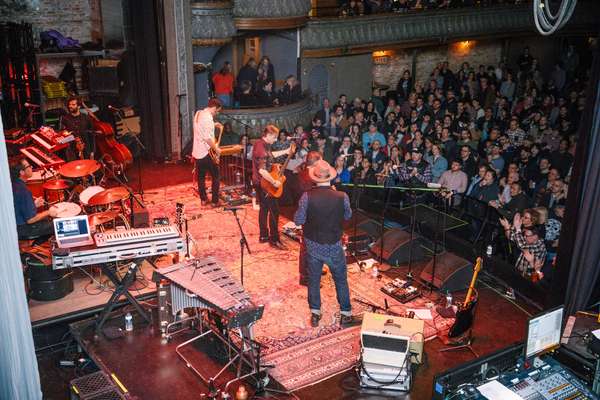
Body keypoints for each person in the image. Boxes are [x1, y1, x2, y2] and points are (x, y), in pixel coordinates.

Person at [294, 159, 353, 327]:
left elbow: (298, 220)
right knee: (341, 279)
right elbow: (348, 216)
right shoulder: (342, 196)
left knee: (313, 279)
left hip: (313, 246)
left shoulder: (307, 196)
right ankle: (346, 313)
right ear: (330, 177)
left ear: (315, 178)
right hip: (334, 245)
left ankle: (315, 313)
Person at [252, 124, 295, 249]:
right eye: (274, 137)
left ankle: (263, 236)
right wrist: (274, 182)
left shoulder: (261, 143)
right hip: (265, 184)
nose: (275, 139)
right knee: (274, 211)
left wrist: (286, 151)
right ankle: (274, 239)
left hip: (259, 183)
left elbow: (271, 156)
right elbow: (262, 170)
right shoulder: (261, 149)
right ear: (269, 135)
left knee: (264, 209)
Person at [11, 158, 58, 238]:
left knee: (46, 220)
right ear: (22, 172)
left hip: (16, 225)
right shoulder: (23, 191)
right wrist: (49, 212)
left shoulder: (14, 184)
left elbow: (19, 208)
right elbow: (30, 220)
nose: (31, 167)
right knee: (56, 224)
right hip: (24, 229)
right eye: (28, 166)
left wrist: (33, 205)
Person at [192, 98, 223, 206]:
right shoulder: (209, 119)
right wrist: (216, 149)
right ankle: (215, 201)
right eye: (217, 111)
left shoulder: (198, 113)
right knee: (216, 176)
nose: (216, 113)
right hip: (206, 153)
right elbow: (207, 138)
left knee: (201, 177)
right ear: (214, 108)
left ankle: (203, 199)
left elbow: (200, 127)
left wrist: (213, 125)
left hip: (197, 152)